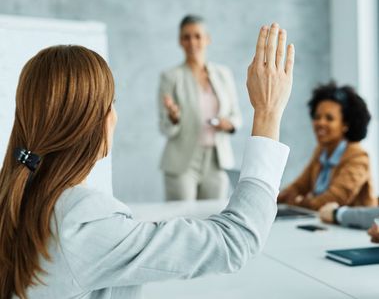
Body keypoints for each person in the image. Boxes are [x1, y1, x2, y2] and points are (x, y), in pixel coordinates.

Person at [0, 23, 294, 299]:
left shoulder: (16, 197)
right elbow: (234, 241)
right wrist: (268, 112)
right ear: (93, 121)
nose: (115, 115)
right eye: (112, 103)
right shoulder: (80, 221)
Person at [158, 15, 242, 201]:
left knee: (213, 218)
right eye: (186, 37)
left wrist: (227, 123)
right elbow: (164, 127)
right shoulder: (170, 77)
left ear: (207, 39)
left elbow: (236, 116)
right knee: (181, 220)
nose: (192, 42)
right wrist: (173, 117)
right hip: (182, 161)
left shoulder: (223, 74)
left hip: (217, 160)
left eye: (197, 36)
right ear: (180, 41)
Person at [278, 82, 377, 210]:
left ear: (345, 124)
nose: (320, 123)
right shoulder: (321, 151)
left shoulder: (358, 157)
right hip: (324, 224)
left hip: (354, 229)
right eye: (317, 117)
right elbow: (299, 186)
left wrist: (299, 202)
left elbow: (334, 199)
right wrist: (274, 197)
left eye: (329, 118)